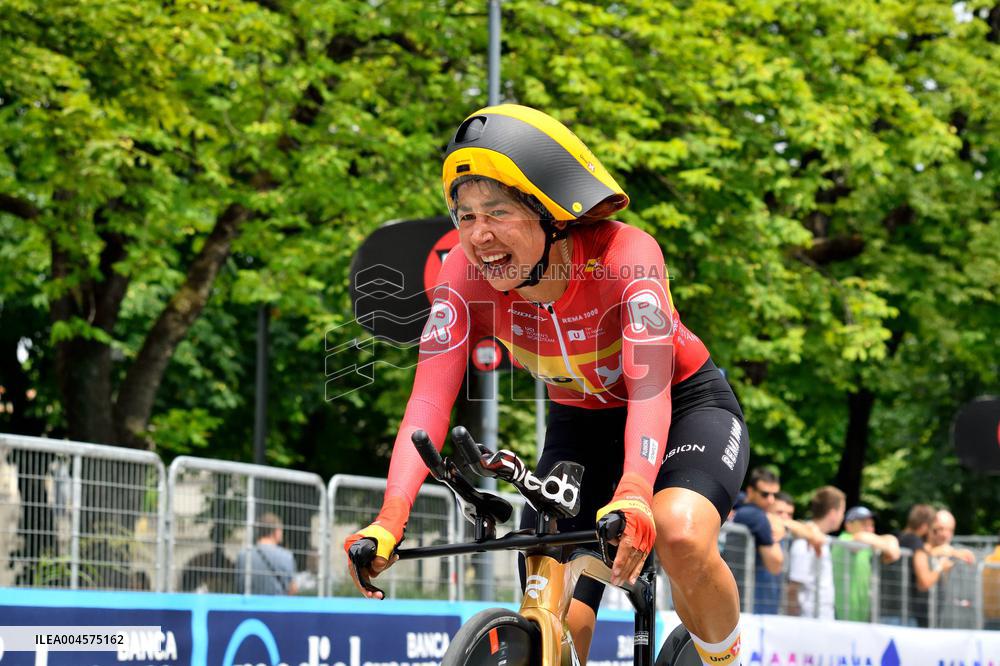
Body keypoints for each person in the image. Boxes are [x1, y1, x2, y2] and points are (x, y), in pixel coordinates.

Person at [344, 104, 749, 666]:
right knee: (552, 609)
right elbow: (429, 399)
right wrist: (391, 517)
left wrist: (635, 489)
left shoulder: (624, 255)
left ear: (550, 213)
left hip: (681, 407)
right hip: (579, 427)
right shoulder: (462, 276)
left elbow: (650, 388)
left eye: (498, 212)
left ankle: (722, 658)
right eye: (464, 216)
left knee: (680, 534)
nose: (478, 235)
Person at [880, 504, 949, 627]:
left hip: (885, 611)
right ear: (924, 526)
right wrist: (940, 567)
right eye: (933, 529)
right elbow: (924, 582)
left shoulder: (897, 538)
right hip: (903, 616)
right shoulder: (915, 543)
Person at [831, 506, 900, 622]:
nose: (870, 529)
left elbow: (893, 554)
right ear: (848, 525)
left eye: (871, 525)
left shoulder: (868, 546)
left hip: (861, 615)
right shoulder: (844, 539)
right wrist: (887, 543)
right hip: (843, 614)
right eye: (864, 524)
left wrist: (890, 540)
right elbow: (861, 537)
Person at [786, 486, 845, 619]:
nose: (843, 517)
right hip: (807, 620)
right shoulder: (804, 542)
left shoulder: (822, 540)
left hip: (822, 619)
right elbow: (793, 588)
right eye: (842, 511)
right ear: (833, 513)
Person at [731, 468, 785, 615]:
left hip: (751, 601)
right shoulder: (756, 516)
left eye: (775, 494)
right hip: (753, 603)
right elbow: (775, 563)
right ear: (751, 491)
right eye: (765, 494)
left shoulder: (739, 506)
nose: (771, 500)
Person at [236, 512, 298, 596]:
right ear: (275, 532)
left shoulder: (243, 555)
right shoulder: (286, 556)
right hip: (276, 606)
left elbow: (240, 585)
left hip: (250, 604)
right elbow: (293, 588)